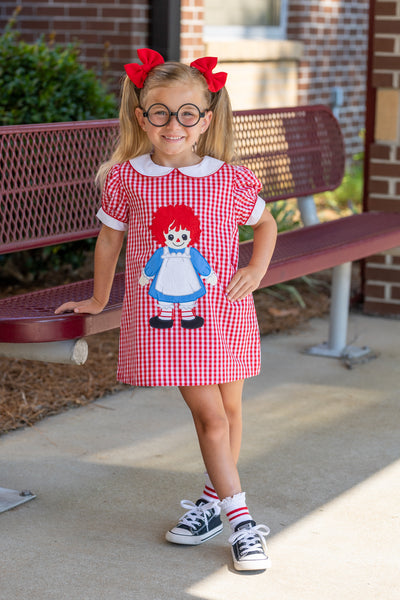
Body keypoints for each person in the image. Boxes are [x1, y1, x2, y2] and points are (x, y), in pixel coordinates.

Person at [55, 48, 277, 572]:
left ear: (205, 119)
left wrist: (258, 269)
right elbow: (109, 244)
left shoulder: (228, 178)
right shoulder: (128, 178)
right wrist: (98, 298)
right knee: (211, 420)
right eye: (160, 112)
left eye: (186, 113)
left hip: (226, 313)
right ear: (141, 117)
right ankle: (242, 522)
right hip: (172, 324)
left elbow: (265, 225)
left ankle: (210, 503)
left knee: (230, 412)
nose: (173, 124)